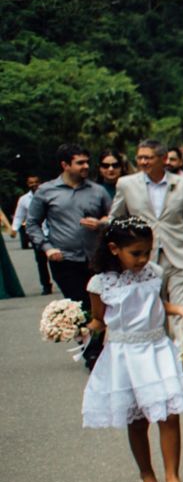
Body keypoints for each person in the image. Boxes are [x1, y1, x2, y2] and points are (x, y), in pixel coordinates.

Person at [81, 217, 183, 482]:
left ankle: (173, 478)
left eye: (147, 252)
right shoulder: (100, 283)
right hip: (125, 354)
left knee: (170, 413)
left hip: (157, 348)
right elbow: (99, 320)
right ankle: (147, 474)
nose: (143, 259)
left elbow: (154, 303)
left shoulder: (154, 272)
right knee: (137, 419)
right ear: (114, 249)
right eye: (136, 253)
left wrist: (179, 310)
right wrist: (77, 328)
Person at [110, 139, 183, 351]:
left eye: (148, 157)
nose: (143, 162)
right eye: (140, 157)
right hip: (144, 258)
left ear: (163, 159)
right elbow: (115, 220)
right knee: (155, 310)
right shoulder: (126, 184)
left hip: (180, 253)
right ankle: (163, 356)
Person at [23, 145, 115, 366]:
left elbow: (114, 218)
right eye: (80, 162)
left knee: (98, 306)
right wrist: (47, 248)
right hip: (64, 260)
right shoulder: (46, 191)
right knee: (79, 305)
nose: (86, 166)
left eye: (87, 162)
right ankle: (91, 350)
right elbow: (32, 224)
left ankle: (94, 348)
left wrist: (101, 223)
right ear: (65, 165)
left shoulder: (97, 191)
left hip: (95, 259)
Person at [12, 174, 51, 295]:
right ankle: (46, 285)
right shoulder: (24, 200)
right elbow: (19, 215)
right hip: (37, 235)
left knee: (58, 260)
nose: (34, 184)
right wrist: (14, 228)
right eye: (31, 183)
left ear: (40, 182)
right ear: (27, 184)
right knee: (41, 261)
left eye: (36, 182)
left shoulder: (49, 195)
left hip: (52, 233)